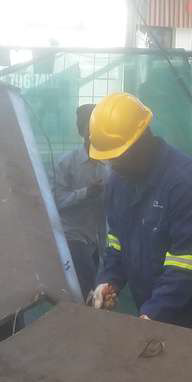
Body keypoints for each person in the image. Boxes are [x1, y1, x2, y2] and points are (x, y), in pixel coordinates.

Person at [86, 92, 192, 337]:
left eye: (118, 157)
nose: (114, 166)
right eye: (108, 160)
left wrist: (152, 314)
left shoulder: (189, 184)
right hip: (160, 305)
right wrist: (108, 281)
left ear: (142, 142)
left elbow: (185, 266)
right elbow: (116, 242)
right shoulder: (119, 183)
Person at [52, 103, 108, 293]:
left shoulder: (110, 163)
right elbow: (56, 201)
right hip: (73, 236)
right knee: (87, 288)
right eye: (91, 127)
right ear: (82, 131)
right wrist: (86, 193)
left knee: (93, 288)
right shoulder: (66, 163)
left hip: (98, 239)